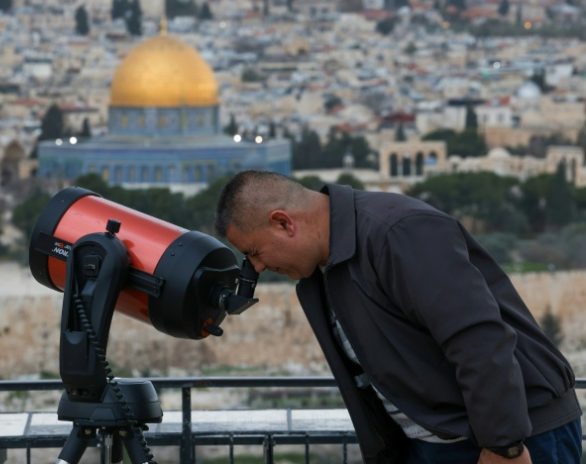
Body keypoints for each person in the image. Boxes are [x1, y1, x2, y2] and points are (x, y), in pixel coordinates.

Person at [214, 170, 582, 464]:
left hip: (520, 437)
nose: (257, 268)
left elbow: (477, 338)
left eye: (255, 252)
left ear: (284, 222)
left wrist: (504, 446)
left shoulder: (398, 232)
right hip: (440, 444)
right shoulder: (320, 275)